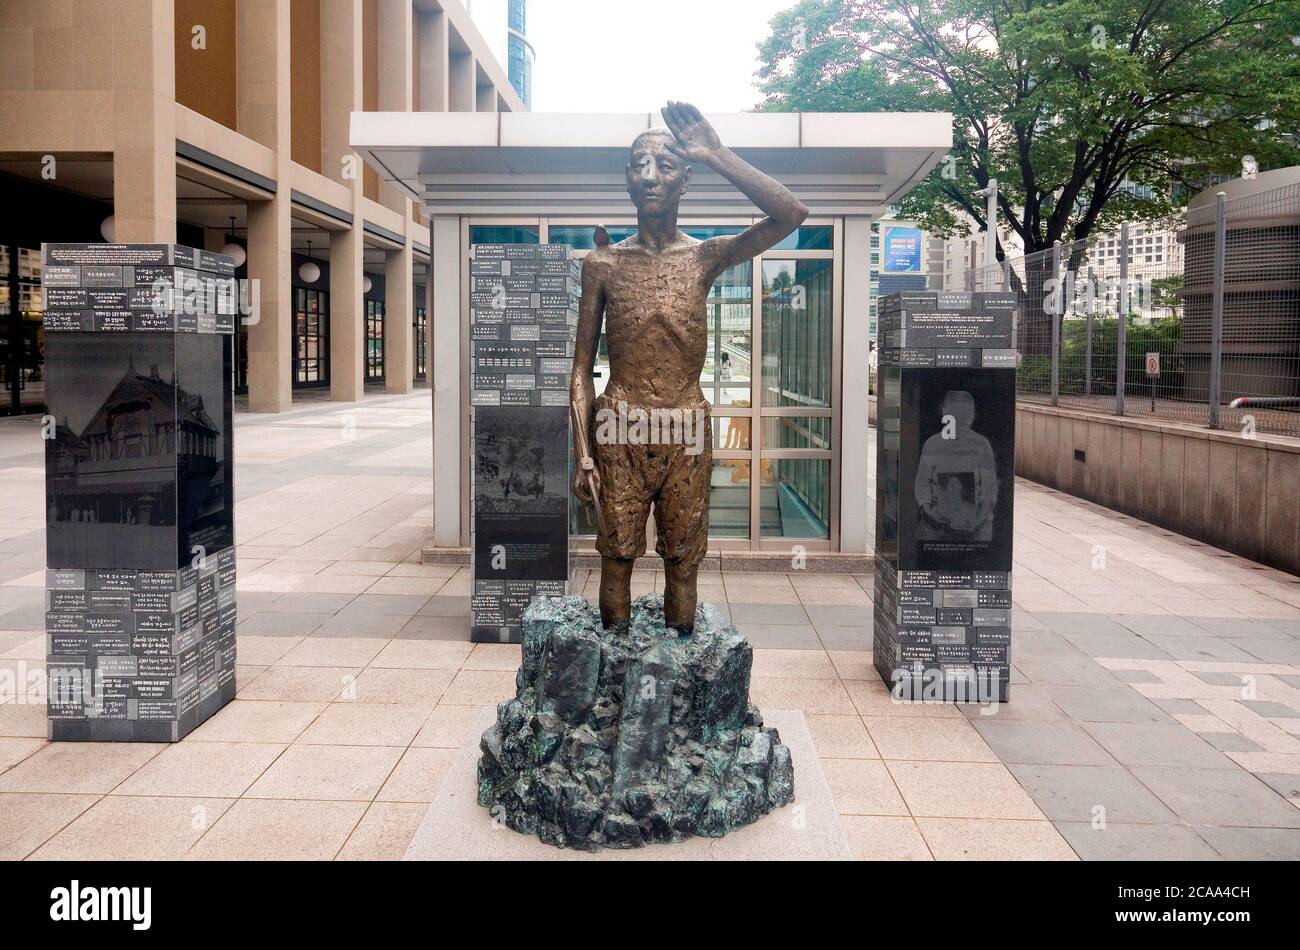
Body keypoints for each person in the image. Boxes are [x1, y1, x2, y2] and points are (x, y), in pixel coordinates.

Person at [571, 102, 808, 634]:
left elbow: (791, 215)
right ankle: (615, 677)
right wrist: (584, 453)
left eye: (664, 165)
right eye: (638, 165)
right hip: (618, 428)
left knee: (683, 559)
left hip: (686, 428)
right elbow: (581, 368)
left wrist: (719, 154)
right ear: (627, 180)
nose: (649, 176)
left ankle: (683, 683)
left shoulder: (704, 257)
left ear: (686, 179)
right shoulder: (603, 264)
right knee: (616, 556)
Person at [914, 390, 998, 541]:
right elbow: (922, 483)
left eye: (966, 413)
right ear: (945, 413)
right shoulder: (933, 444)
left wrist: (978, 521)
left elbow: (989, 489)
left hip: (976, 524)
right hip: (935, 523)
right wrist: (929, 512)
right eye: (956, 413)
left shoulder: (981, 444)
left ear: (972, 415)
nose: (961, 418)